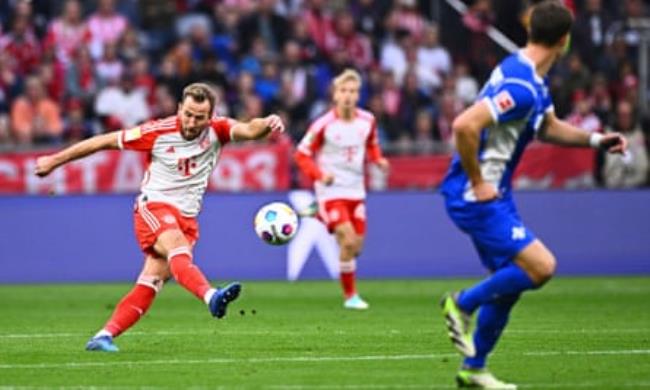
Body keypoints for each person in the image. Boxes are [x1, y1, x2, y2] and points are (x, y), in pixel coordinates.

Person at [438, 2, 627, 388]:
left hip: (497, 196)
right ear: (564, 40)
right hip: (478, 196)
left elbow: (548, 127)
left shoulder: (528, 78)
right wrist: (477, 182)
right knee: (541, 267)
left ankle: (474, 368)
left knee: (510, 281)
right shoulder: (520, 87)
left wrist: (594, 140)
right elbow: (464, 125)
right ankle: (462, 303)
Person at [35, 83, 285, 352]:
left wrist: (268, 123)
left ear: (210, 117)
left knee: (151, 281)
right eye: (187, 113)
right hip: (153, 207)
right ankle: (212, 296)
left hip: (187, 218)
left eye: (199, 117)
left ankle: (103, 336)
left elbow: (249, 129)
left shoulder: (218, 130)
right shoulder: (157, 132)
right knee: (178, 250)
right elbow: (103, 140)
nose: (191, 122)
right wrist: (54, 161)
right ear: (179, 108)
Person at [294, 69, 389, 310]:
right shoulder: (323, 124)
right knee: (347, 240)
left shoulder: (367, 121)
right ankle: (351, 297)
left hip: (356, 191)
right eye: (343, 91)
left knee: (356, 247)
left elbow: (372, 145)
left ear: (358, 96)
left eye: (353, 91)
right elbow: (301, 154)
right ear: (335, 95)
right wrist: (320, 175)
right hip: (331, 190)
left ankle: (320, 215)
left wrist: (378, 160)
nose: (348, 96)